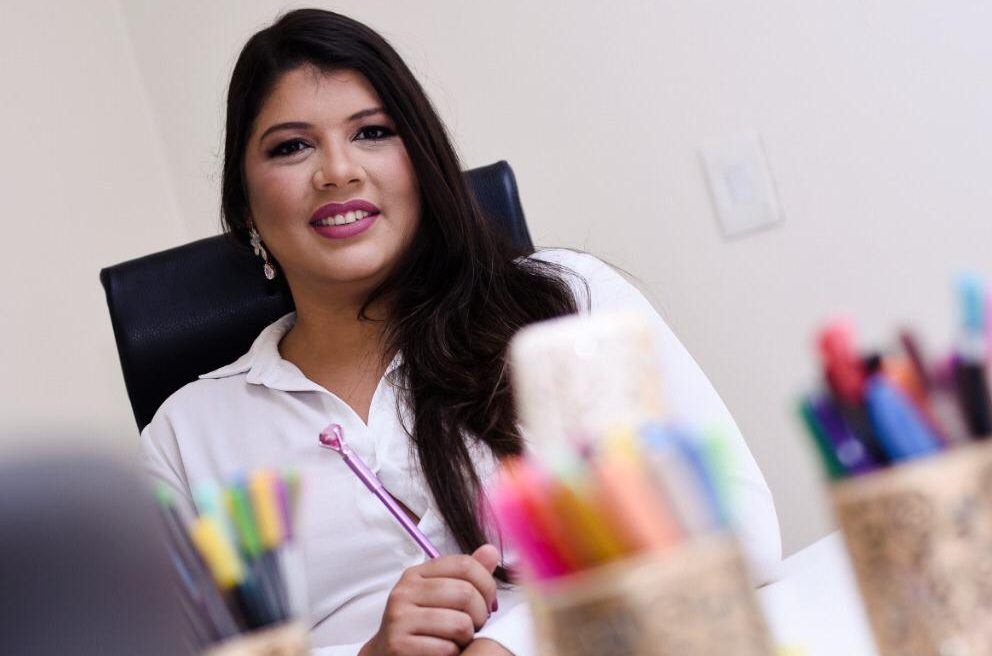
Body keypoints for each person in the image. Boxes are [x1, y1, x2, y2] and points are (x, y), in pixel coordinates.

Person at [141, 8, 781, 656]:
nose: (338, 170)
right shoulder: (185, 437)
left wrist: (520, 642)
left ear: (422, 160)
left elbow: (742, 535)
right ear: (244, 203)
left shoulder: (564, 304)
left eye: (372, 132)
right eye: (291, 146)